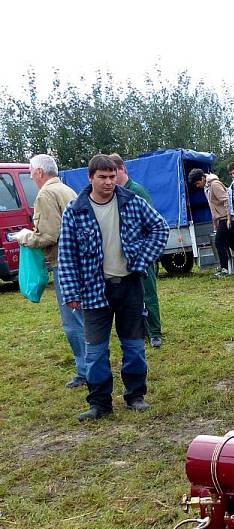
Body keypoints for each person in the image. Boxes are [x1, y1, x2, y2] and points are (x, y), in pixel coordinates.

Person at [58, 154, 169, 421]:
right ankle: (99, 403)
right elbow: (67, 255)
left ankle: (135, 396)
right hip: (94, 289)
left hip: (129, 286)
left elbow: (160, 228)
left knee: (133, 347)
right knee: (95, 351)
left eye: (112, 176)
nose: (109, 182)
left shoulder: (132, 202)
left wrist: (142, 259)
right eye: (102, 177)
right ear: (90, 177)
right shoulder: (75, 210)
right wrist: (71, 292)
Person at [13, 155, 84, 387]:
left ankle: (85, 371)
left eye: (32, 172)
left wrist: (24, 237)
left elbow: (49, 235)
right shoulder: (67, 190)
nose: (31, 176)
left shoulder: (45, 194)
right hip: (80, 261)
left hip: (63, 263)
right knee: (83, 317)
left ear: (40, 172)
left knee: (72, 322)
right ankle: (92, 365)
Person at [109, 154, 163, 348]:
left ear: (123, 170)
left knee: (148, 293)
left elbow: (153, 224)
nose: (111, 178)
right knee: (131, 297)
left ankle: (155, 332)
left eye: (114, 173)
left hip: (142, 254)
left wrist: (148, 252)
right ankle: (141, 331)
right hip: (123, 256)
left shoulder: (137, 191)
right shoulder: (113, 195)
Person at [188, 168, 230, 278]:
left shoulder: (214, 184)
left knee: (219, 242)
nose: (197, 186)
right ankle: (232, 266)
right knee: (230, 242)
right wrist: (215, 220)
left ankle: (225, 268)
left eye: (197, 183)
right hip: (220, 218)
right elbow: (213, 205)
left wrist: (229, 217)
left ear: (203, 178)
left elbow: (226, 199)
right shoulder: (207, 187)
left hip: (225, 217)